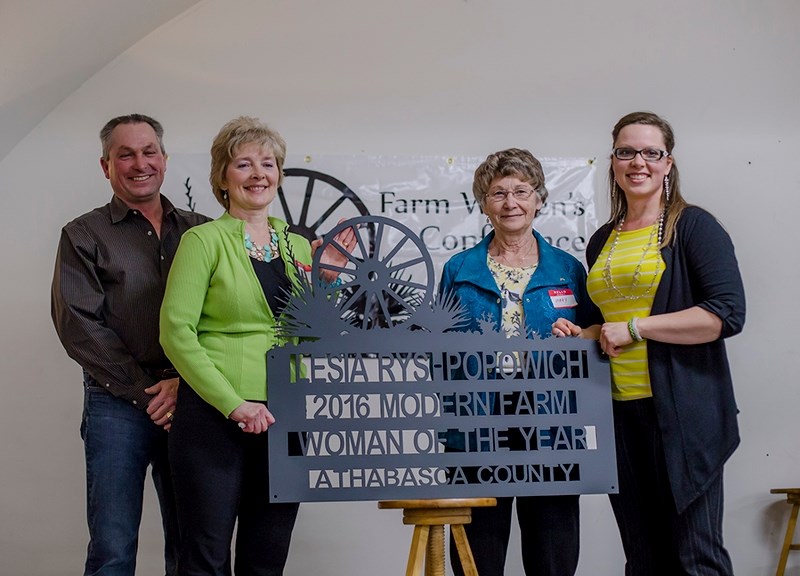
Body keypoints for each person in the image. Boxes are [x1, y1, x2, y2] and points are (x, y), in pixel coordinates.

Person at [159, 116, 353, 576]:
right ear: (223, 178)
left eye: (268, 163)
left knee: (267, 557)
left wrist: (327, 281)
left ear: (280, 175)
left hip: (286, 417)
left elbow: (312, 333)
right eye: (243, 164)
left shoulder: (299, 246)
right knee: (205, 557)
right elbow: (175, 332)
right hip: (213, 418)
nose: (258, 174)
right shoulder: (201, 241)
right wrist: (233, 405)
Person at [553, 111, 745, 575]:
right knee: (643, 559)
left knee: (695, 558)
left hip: (682, 413)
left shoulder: (694, 227)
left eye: (650, 152)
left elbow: (726, 315)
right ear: (613, 161)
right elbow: (605, 325)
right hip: (618, 410)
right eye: (626, 152)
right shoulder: (602, 239)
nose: (637, 162)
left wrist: (637, 328)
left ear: (668, 163)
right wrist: (584, 333)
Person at [51, 113, 211, 576]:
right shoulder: (83, 235)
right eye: (125, 154)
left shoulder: (203, 232)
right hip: (115, 405)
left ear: (164, 159)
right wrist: (147, 391)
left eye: (148, 152)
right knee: (113, 548)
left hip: (194, 400)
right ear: (106, 166)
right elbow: (79, 325)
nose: (139, 163)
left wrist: (182, 383)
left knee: (193, 546)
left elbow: (226, 317)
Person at [438, 148, 593, 576]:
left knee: (553, 547)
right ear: (483, 203)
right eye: (498, 193)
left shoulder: (568, 269)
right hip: (478, 419)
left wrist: (577, 336)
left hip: (552, 420)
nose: (511, 203)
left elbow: (594, 340)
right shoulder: (458, 268)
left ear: (539, 199)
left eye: (521, 191)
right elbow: (443, 348)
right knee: (478, 552)